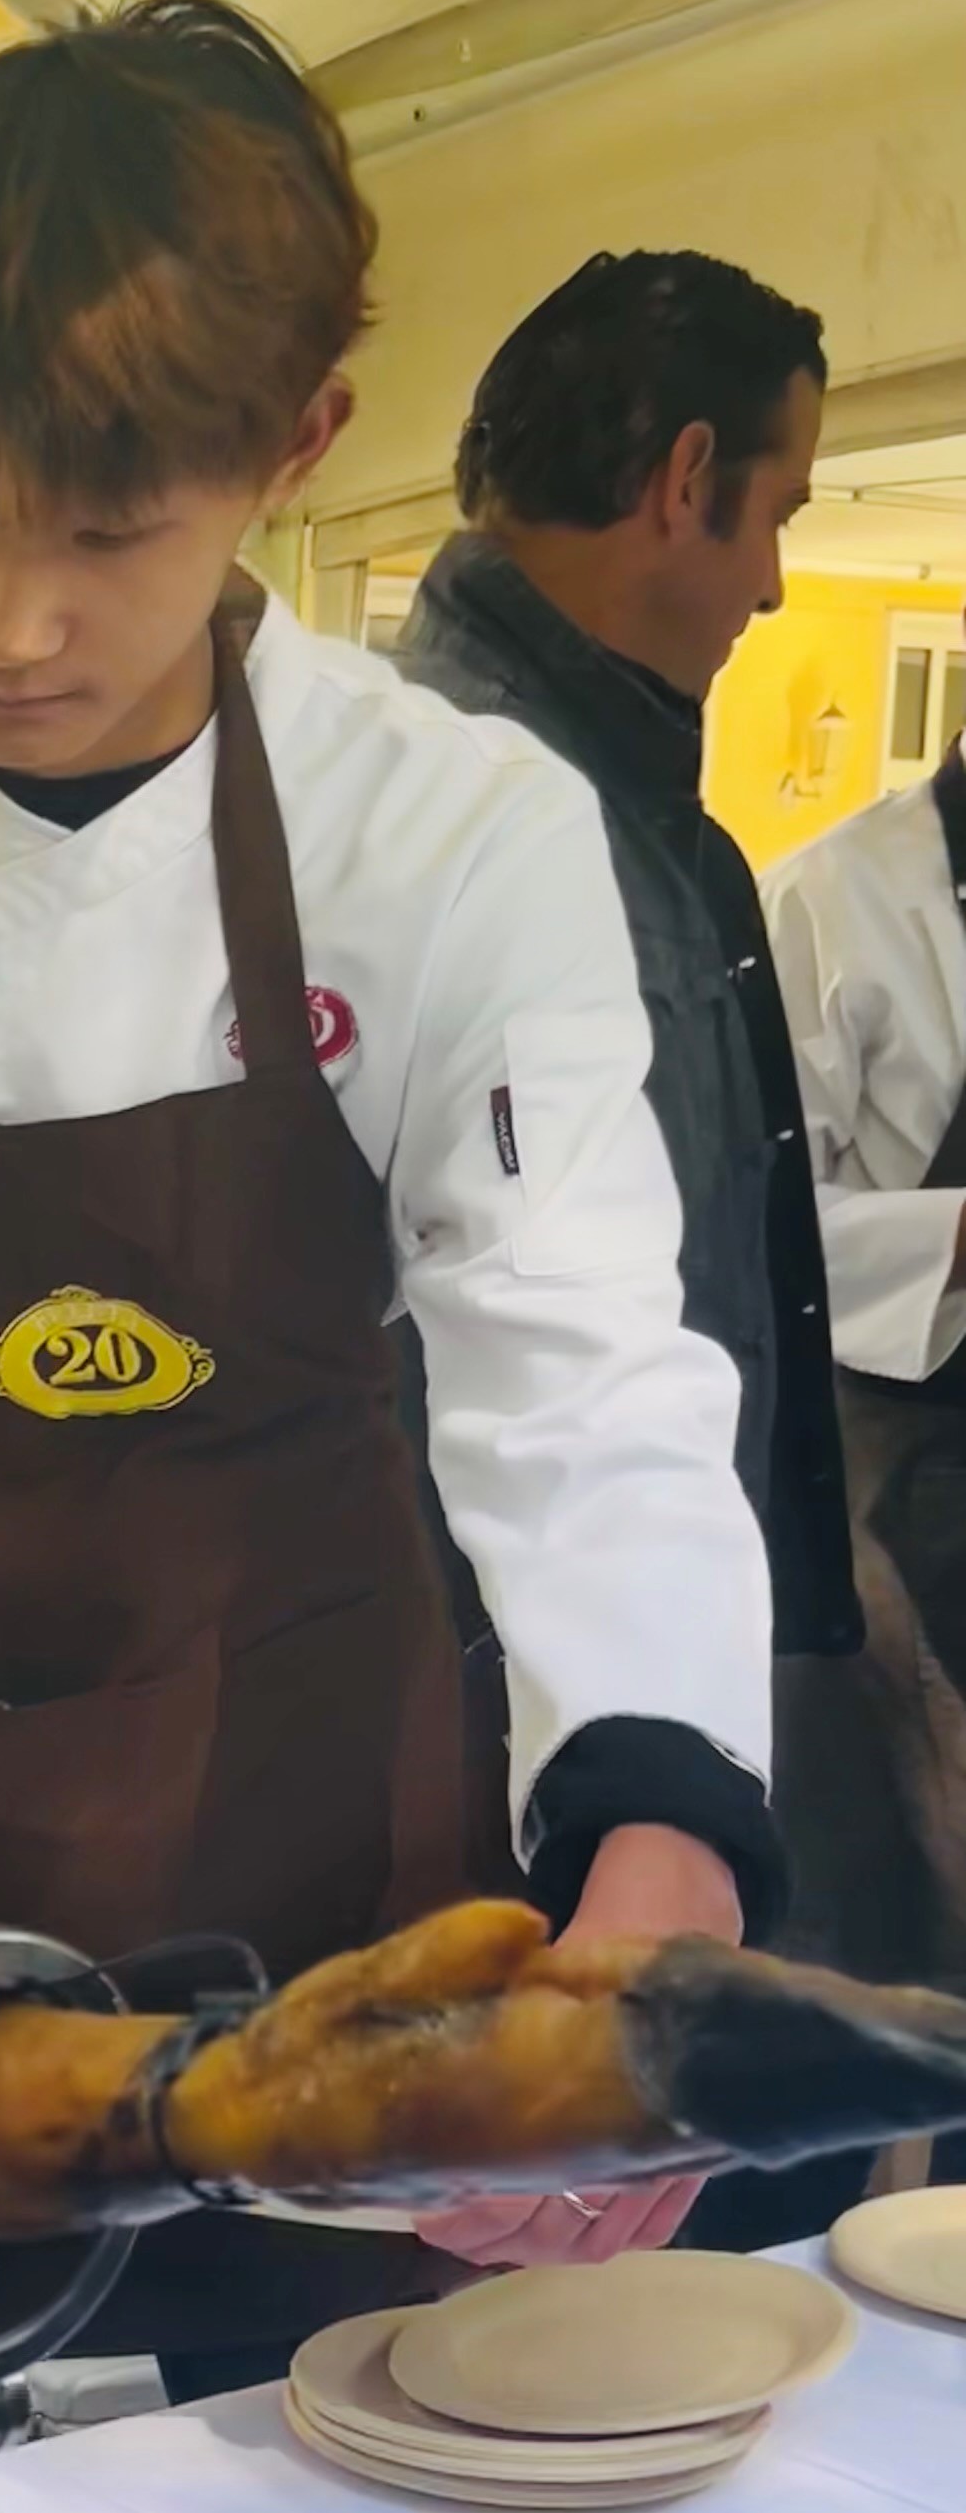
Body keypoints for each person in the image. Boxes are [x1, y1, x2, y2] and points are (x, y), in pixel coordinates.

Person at [0, 0, 775, 2367]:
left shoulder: (453, 842)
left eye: (105, 535)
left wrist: (657, 1893)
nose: (5, 623)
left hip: (337, 1936)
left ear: (293, 448)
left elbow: (583, 1383)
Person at [394, 250, 858, 1676]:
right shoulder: (459, 816)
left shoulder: (633, 822)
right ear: (685, 479)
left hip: (618, 1674)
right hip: (532, 1703)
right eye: (776, 514)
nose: (776, 585)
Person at [765, 601, 966, 1986]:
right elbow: (743, 1223)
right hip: (900, 1479)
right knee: (902, 1904)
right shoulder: (832, 900)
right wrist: (956, 1244)